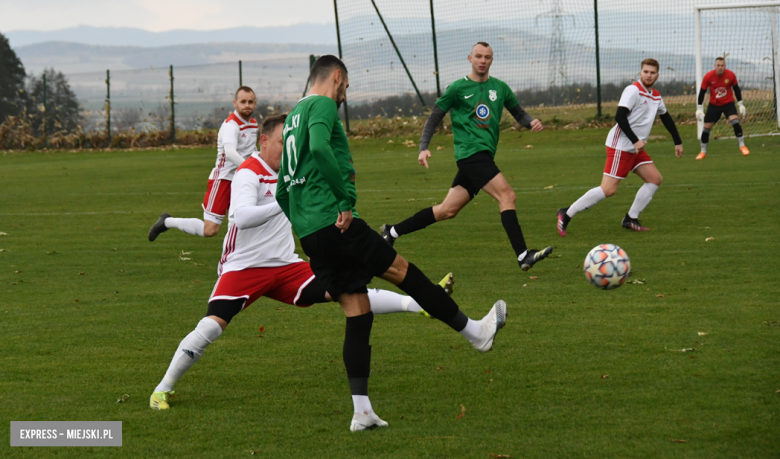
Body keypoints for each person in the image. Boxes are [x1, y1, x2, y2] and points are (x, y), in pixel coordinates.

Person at [149, 115, 455, 412]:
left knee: (348, 291)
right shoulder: (248, 172)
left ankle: (421, 305)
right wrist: (283, 203)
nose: (288, 147)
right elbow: (241, 217)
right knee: (211, 327)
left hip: (285, 266)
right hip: (244, 268)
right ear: (265, 141)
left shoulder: (291, 171)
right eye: (283, 142)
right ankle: (162, 388)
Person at [276, 55, 507, 432]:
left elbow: (283, 188)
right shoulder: (320, 105)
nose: (344, 98)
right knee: (402, 271)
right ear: (337, 77)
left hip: (312, 233)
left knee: (358, 310)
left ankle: (362, 411)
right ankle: (475, 333)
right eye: (346, 88)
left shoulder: (291, 118)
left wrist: (302, 225)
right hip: (335, 222)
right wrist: (343, 202)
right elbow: (319, 148)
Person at [380, 42, 552, 271]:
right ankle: (523, 255)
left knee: (446, 210)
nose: (483, 61)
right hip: (471, 155)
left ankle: (391, 232)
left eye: (487, 57)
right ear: (469, 58)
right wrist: (423, 146)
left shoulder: (500, 88)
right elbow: (434, 117)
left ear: (492, 60)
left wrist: (531, 122)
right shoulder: (457, 88)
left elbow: (518, 113)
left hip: (482, 157)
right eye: (478, 56)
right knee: (507, 196)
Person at [557, 59, 683, 236]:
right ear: (640, 73)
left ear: (657, 75)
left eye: (652, 73)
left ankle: (630, 218)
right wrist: (635, 140)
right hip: (621, 146)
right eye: (645, 71)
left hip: (635, 148)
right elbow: (620, 116)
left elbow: (666, 117)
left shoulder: (655, 95)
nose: (648, 75)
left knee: (654, 179)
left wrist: (678, 141)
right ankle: (566, 213)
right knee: (608, 189)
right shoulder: (633, 90)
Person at [148, 86, 259, 241]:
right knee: (210, 230)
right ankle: (167, 222)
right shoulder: (231, 125)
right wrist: (252, 168)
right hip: (223, 179)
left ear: (255, 103)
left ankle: (239, 258)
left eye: (250, 102)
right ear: (235, 103)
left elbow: (251, 149)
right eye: (243, 102)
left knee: (244, 221)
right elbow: (231, 153)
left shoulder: (253, 124)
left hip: (242, 179)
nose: (247, 105)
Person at [695, 57, 749, 159]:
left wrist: (741, 104)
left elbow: (736, 89)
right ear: (714, 66)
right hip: (714, 105)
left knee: (735, 122)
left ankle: (742, 146)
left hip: (728, 103)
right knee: (706, 129)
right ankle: (703, 152)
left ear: (725, 66)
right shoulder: (708, 77)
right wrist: (699, 108)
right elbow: (702, 92)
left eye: (722, 65)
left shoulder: (731, 75)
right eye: (718, 65)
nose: (720, 67)